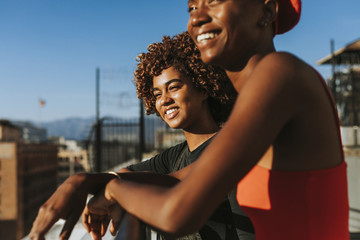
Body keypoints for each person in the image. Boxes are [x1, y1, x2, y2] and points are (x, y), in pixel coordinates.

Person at [82, 0, 349, 239]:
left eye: (214, 1)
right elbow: (177, 178)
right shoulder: (259, 104)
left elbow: (177, 215)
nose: (196, 18)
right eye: (192, 7)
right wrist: (82, 182)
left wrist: (113, 192)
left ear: (266, 10)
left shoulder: (279, 73)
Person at [29, 32, 255, 240]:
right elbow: (128, 174)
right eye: (157, 94)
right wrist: (77, 182)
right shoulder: (175, 157)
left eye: (174, 87)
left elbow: (178, 183)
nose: (164, 100)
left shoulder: (231, 144)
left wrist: (98, 186)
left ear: (203, 87)